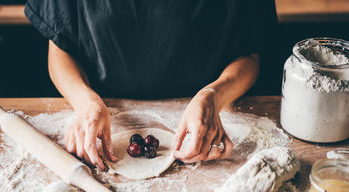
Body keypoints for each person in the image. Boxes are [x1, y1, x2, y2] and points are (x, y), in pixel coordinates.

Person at [25, 0, 278, 170]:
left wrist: (215, 95)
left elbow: (249, 55)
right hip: (106, 114)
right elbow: (60, 50)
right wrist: (85, 102)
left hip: (205, 115)